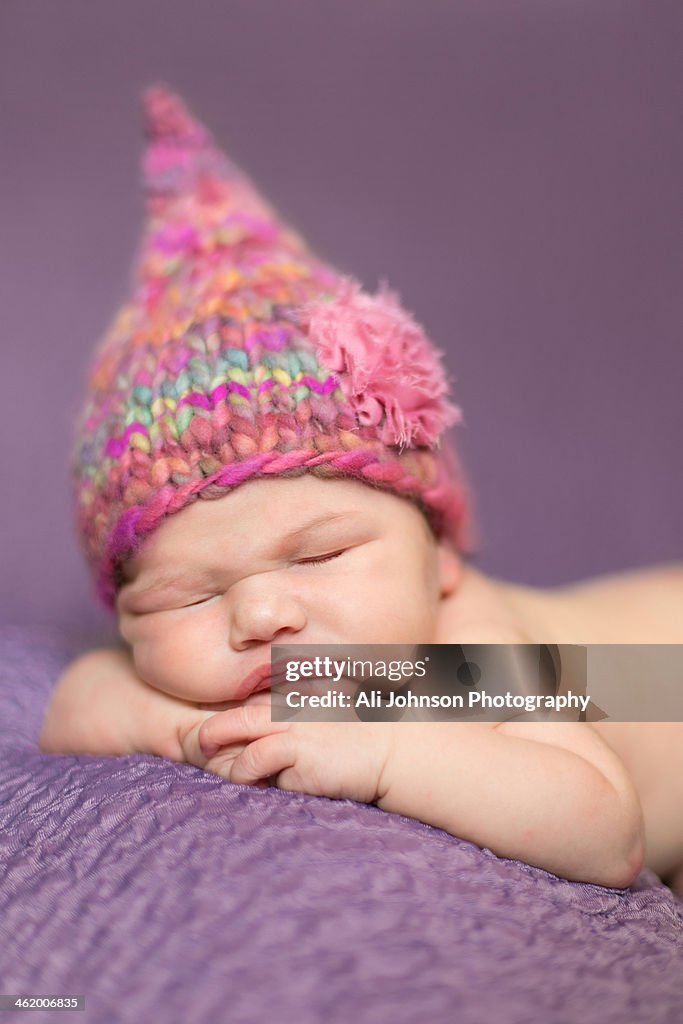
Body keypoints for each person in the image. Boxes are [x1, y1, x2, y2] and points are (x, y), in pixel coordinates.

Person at [39, 83, 683, 896]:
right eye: (186, 597)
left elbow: (604, 829)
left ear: (440, 554)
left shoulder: (453, 653)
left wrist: (385, 750)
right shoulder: (273, 671)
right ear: (126, 615)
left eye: (320, 554)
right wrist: (199, 731)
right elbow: (77, 705)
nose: (262, 616)